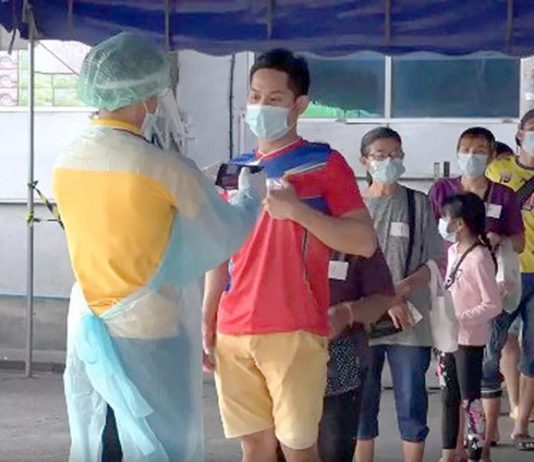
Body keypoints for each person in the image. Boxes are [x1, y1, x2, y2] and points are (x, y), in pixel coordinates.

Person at [53, 32, 266, 462]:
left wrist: (191, 182)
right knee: (156, 440)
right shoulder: (162, 167)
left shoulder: (67, 160)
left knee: (106, 434)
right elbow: (220, 232)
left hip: (90, 320)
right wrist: (250, 198)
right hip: (149, 329)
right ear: (147, 97)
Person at [202, 49, 376, 462]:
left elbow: (364, 241)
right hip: (233, 329)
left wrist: (298, 211)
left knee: (298, 448)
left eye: (274, 99)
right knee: (253, 447)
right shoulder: (234, 170)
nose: (261, 106)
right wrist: (207, 317)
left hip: (294, 328)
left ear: (300, 105)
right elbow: (219, 250)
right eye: (255, 96)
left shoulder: (324, 163)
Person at [429, 127, 524, 448]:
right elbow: (430, 233)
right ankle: (452, 448)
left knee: (485, 370)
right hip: (448, 299)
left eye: (480, 150)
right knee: (449, 389)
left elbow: (519, 243)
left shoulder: (503, 196)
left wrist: (497, 238)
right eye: (466, 149)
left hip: (484, 296)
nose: (471, 156)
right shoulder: (442, 190)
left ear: (492, 155)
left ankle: (480, 444)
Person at [355, 127, 444, 462]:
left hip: (409, 321)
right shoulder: (352, 207)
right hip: (362, 319)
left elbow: (434, 261)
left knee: (412, 399)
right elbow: (345, 266)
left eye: (396, 154)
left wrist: (399, 293)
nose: (389, 161)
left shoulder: (417, 204)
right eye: (381, 155)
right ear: (365, 161)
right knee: (362, 401)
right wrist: (387, 299)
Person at [437, 193, 502, 462]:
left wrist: (460, 319)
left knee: (470, 400)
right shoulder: (453, 251)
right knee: (448, 397)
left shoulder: (480, 257)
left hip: (469, 340)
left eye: (446, 218)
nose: (443, 223)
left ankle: (476, 452)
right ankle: (449, 453)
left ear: (460, 223)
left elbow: (493, 304)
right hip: (447, 338)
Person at [318, 248, 396, 462]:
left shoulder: (356, 239)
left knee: (333, 448)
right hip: (284, 363)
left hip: (339, 364)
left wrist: (348, 312)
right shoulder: (280, 235)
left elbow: (382, 297)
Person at [486, 109, 534, 451]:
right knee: (495, 344)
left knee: (533, 353)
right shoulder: (497, 170)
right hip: (506, 271)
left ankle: (521, 425)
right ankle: (493, 424)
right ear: (519, 133)